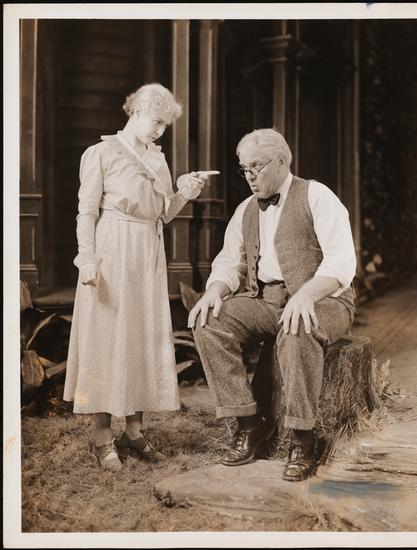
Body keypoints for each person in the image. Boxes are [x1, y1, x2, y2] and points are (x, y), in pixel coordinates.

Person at [188, 128, 356, 482]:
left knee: (298, 329)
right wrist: (214, 291)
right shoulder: (246, 209)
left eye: (257, 167)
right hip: (265, 300)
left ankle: (303, 439)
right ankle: (251, 424)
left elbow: (342, 261)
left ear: (281, 161)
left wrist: (307, 295)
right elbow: (230, 262)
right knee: (208, 322)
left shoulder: (316, 195)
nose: (250, 176)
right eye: (244, 169)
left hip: (326, 300)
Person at [64, 83, 215, 472]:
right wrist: (87, 256)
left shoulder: (157, 160)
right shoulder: (101, 153)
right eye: (156, 121)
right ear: (136, 112)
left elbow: (162, 214)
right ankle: (102, 436)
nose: (160, 130)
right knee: (106, 337)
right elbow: (86, 212)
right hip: (112, 249)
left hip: (148, 252)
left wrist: (185, 192)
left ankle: (134, 431)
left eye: (165, 124)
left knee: (141, 337)